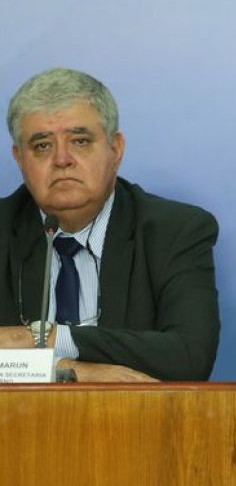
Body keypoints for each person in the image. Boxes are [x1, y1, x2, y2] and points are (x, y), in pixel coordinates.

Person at [0, 68, 220, 381]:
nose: (62, 160)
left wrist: (48, 338)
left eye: (80, 140)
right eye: (43, 146)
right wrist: (70, 371)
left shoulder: (175, 231)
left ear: (115, 150)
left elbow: (189, 356)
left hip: (135, 425)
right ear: (19, 158)